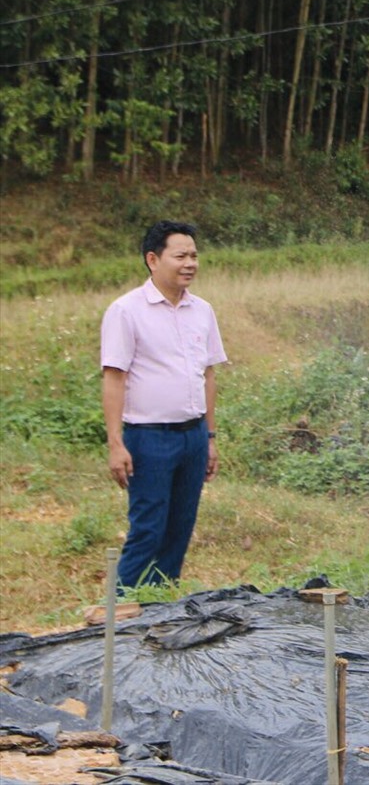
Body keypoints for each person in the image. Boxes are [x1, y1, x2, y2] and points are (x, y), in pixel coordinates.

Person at [101, 221, 227, 589]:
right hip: (148, 437)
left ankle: (159, 607)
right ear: (153, 259)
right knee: (149, 527)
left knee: (180, 527)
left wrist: (210, 437)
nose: (190, 263)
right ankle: (121, 609)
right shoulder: (126, 311)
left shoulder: (202, 310)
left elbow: (208, 375)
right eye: (180, 255)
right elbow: (114, 377)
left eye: (194, 255)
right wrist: (115, 442)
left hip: (192, 435)